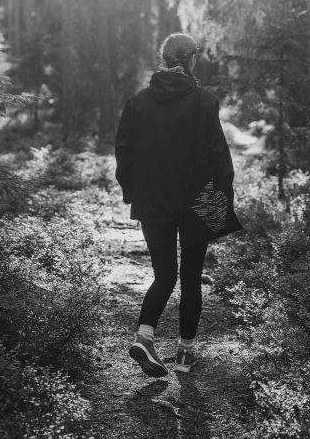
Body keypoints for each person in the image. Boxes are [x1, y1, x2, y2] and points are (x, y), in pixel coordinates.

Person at [114, 32, 237, 377]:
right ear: (192, 59)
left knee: (164, 274)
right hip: (196, 203)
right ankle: (184, 355)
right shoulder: (204, 101)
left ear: (164, 60)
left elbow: (123, 155)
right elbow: (219, 158)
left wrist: (134, 194)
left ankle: (145, 335)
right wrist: (220, 202)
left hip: (152, 203)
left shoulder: (137, 102)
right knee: (191, 277)